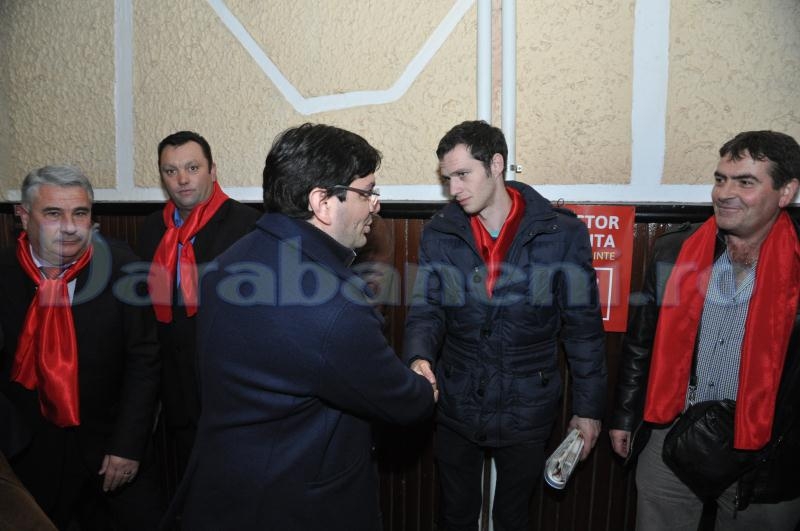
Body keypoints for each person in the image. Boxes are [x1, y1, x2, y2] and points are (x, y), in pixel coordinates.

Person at [164, 123, 436, 530]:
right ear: (322, 202)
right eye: (366, 192)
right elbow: (403, 402)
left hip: (223, 494)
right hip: (300, 507)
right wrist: (423, 383)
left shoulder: (225, 264)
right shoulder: (334, 304)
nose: (375, 206)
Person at [403, 120, 607, 531]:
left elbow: (583, 328)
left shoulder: (561, 232)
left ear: (496, 164)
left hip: (527, 403)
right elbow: (428, 308)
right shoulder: (441, 232)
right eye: (447, 178)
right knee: (455, 515)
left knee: (513, 517)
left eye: (463, 174)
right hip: (457, 399)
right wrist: (418, 356)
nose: (454, 188)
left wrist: (588, 410)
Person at [608, 130, 800, 530]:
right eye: (720, 179)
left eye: (745, 182)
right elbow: (641, 344)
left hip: (767, 451)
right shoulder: (674, 250)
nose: (725, 193)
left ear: (786, 192)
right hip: (671, 428)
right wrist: (625, 416)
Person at [0, 165, 162, 529]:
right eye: (53, 214)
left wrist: (128, 445)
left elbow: (145, 360)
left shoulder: (123, 267)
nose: (70, 227)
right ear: (23, 216)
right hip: (30, 453)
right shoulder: (4, 272)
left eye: (80, 213)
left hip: (112, 447)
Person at [137, 130, 260, 486]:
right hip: (175, 393)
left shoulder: (248, 225)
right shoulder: (152, 228)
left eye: (192, 168)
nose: (182, 179)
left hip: (231, 394)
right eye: (170, 171)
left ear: (212, 170)